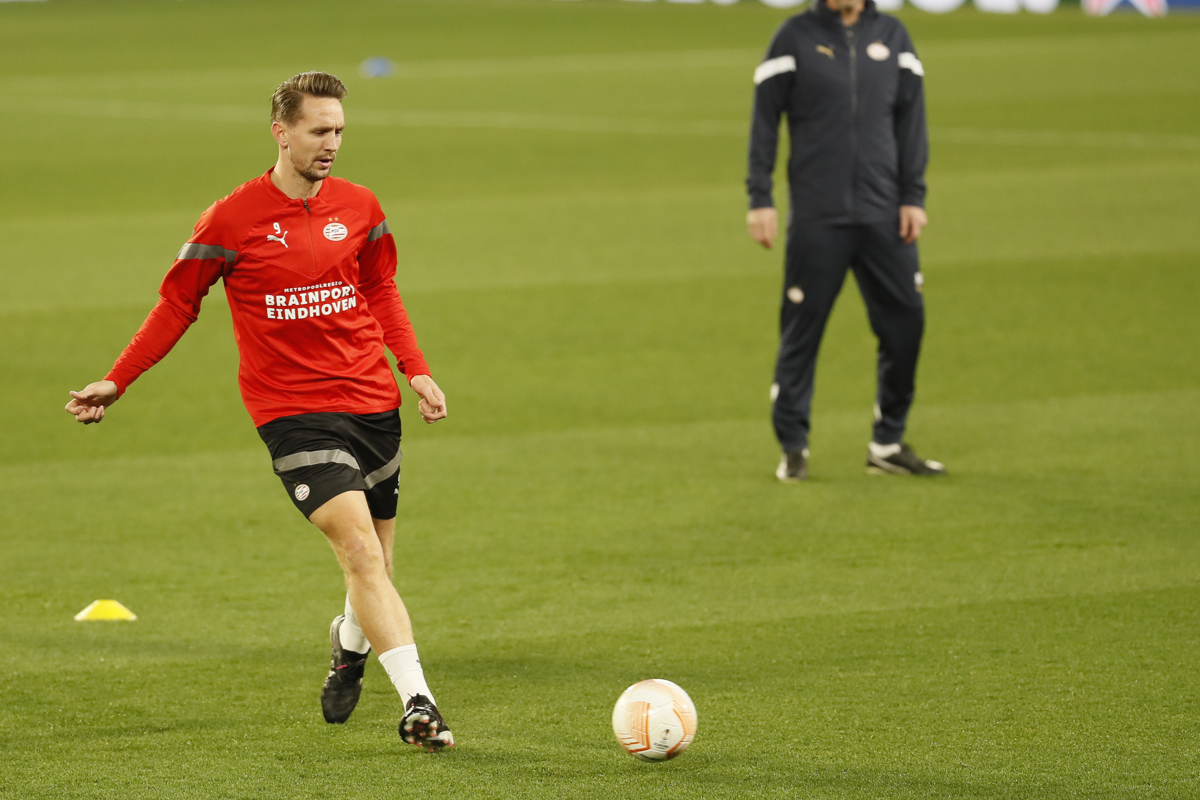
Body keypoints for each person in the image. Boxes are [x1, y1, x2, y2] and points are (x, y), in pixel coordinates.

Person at [65, 72, 455, 751]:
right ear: (281, 132)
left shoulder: (361, 207)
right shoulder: (231, 220)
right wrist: (117, 379)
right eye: (318, 131)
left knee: (376, 568)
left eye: (339, 130)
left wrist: (415, 369)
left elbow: (381, 289)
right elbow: (178, 304)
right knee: (360, 552)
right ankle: (418, 704)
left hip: (372, 402)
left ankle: (349, 647)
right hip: (293, 413)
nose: (332, 143)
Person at [746, 0, 947, 482]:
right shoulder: (792, 37)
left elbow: (911, 122)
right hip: (818, 216)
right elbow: (765, 119)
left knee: (906, 325)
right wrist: (760, 197)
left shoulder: (895, 37)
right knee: (802, 333)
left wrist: (913, 196)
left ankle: (888, 441)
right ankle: (793, 445)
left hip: (885, 215)